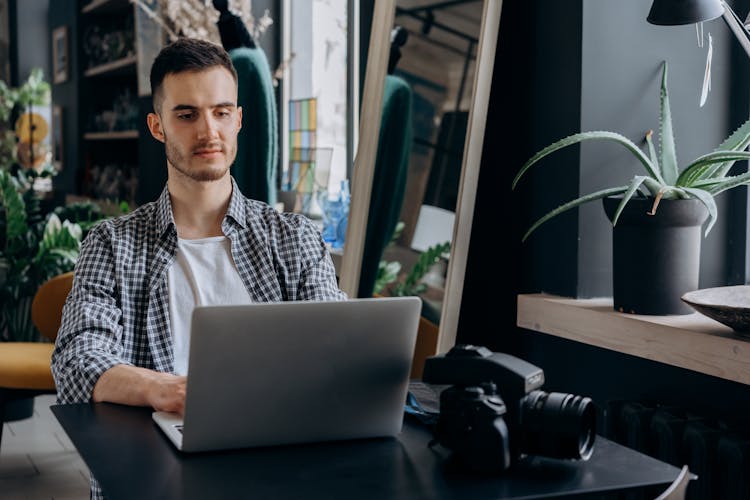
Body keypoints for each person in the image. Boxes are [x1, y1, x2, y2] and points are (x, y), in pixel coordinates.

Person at [51, 37, 346, 499]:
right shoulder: (110, 243)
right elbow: (75, 361)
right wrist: (169, 391)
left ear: (239, 119)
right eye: (187, 114)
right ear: (157, 126)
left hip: (279, 468)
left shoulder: (295, 238)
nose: (209, 130)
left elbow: (337, 352)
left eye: (222, 111)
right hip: (154, 473)